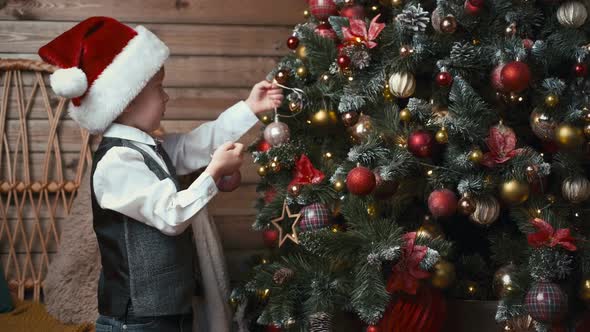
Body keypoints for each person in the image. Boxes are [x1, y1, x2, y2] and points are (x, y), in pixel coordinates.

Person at [38, 16, 283, 331]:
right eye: (158, 88)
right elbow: (171, 215)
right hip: (137, 318)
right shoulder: (119, 161)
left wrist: (249, 107)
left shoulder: (152, 146)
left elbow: (199, 143)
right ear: (124, 101)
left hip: (169, 310)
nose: (166, 97)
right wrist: (213, 173)